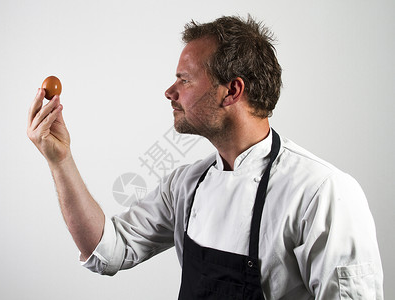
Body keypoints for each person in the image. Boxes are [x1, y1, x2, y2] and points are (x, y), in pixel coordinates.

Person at [27, 15, 383, 299]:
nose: (169, 92)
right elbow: (108, 251)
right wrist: (60, 160)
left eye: (184, 80)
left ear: (232, 91)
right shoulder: (186, 184)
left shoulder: (322, 192)